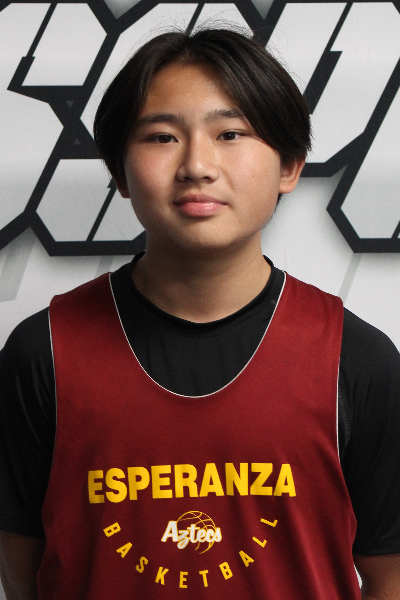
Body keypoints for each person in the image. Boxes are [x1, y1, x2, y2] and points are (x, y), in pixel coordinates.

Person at [0, 27, 400, 600]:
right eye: (162, 136)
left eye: (230, 133)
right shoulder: (43, 353)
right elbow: (22, 564)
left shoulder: (357, 360)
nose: (197, 165)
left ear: (290, 165)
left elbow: (389, 574)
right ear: (118, 171)